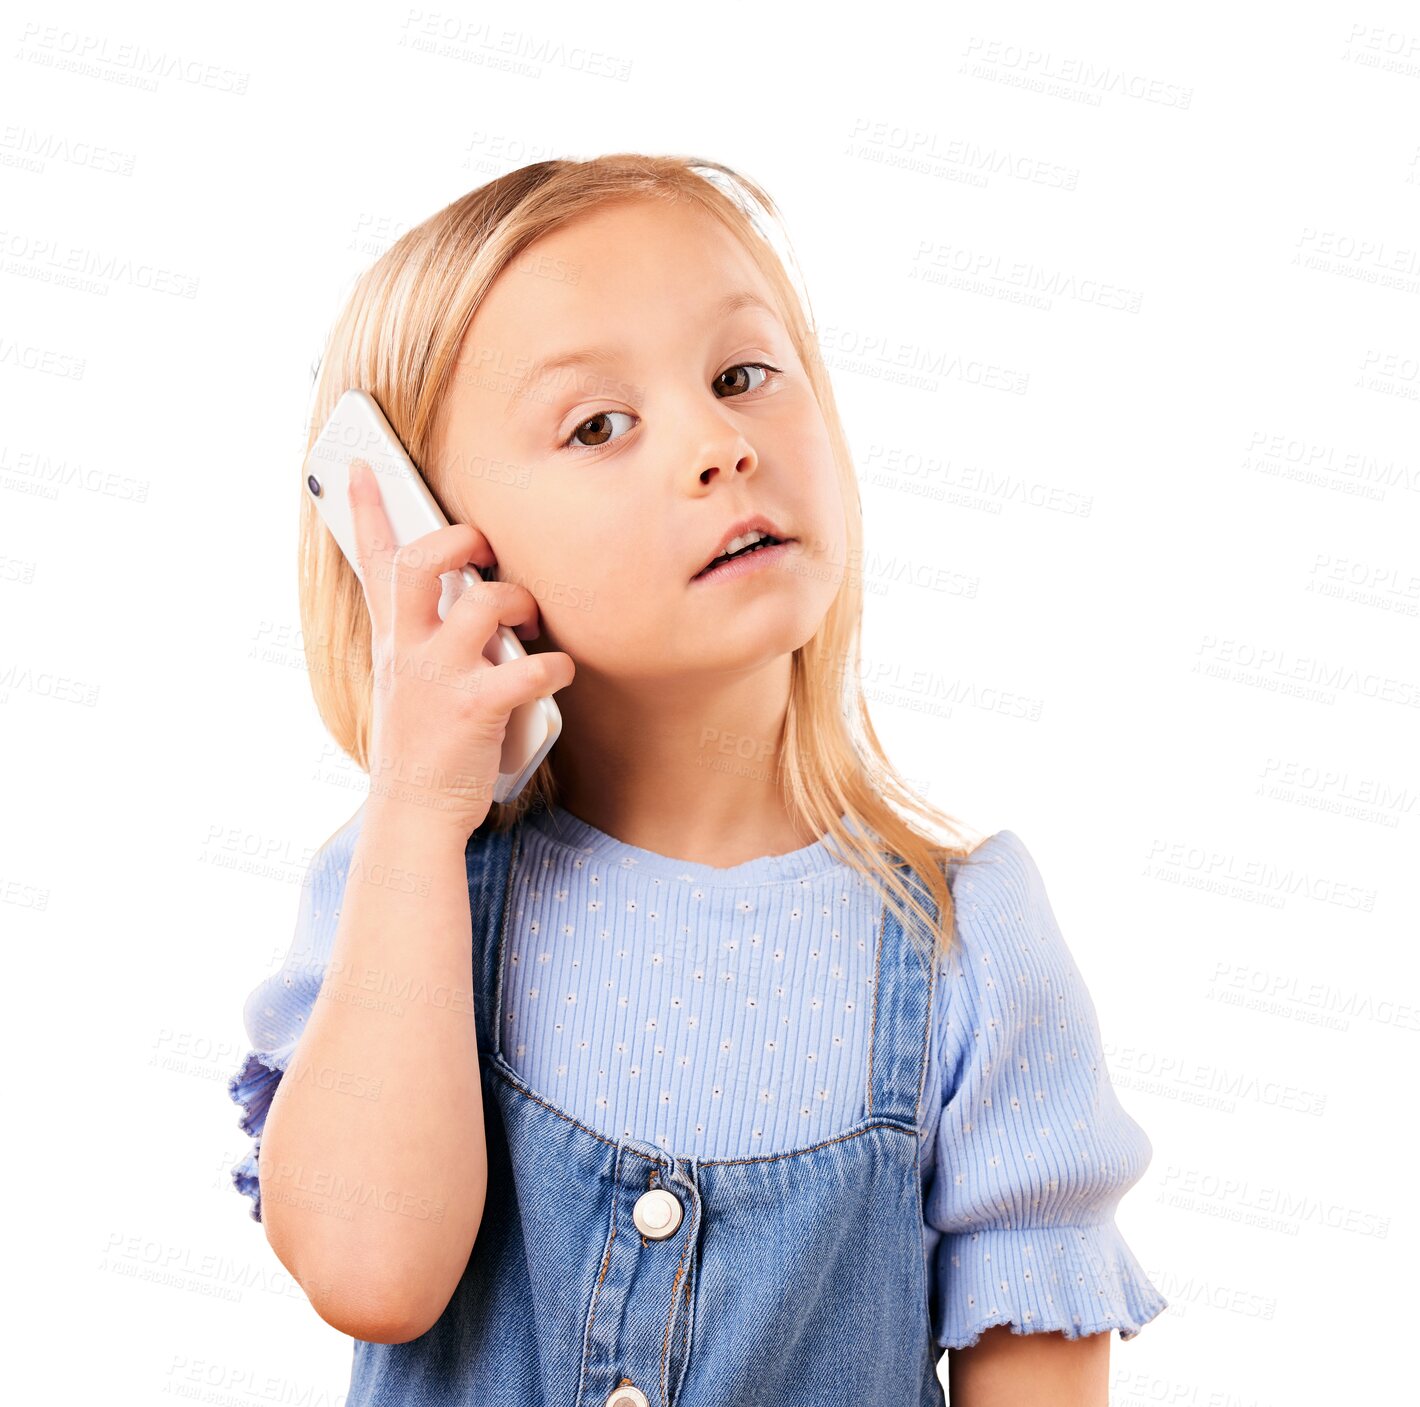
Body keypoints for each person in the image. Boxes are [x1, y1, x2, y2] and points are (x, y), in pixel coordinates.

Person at [226, 154, 1167, 1406]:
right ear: (432, 545)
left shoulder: (968, 948)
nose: (721, 443)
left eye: (742, 376)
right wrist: (415, 807)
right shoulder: (405, 888)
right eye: (597, 425)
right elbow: (370, 1273)